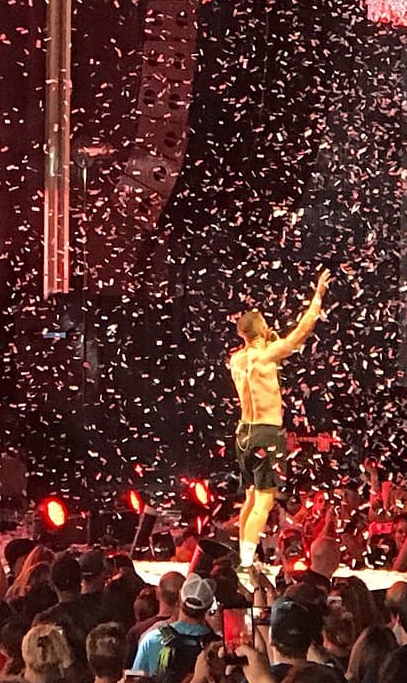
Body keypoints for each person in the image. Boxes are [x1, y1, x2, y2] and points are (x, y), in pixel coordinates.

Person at [230, 269, 331, 570]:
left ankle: (242, 557)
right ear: (259, 329)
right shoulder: (266, 355)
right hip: (265, 433)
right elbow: (302, 332)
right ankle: (246, 564)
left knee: (250, 497)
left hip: (243, 433)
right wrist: (318, 297)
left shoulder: (236, 360)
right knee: (264, 501)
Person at [132, 574, 216, 679]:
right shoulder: (217, 648)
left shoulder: (153, 640)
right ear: (209, 605)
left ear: (179, 598)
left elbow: (135, 679)